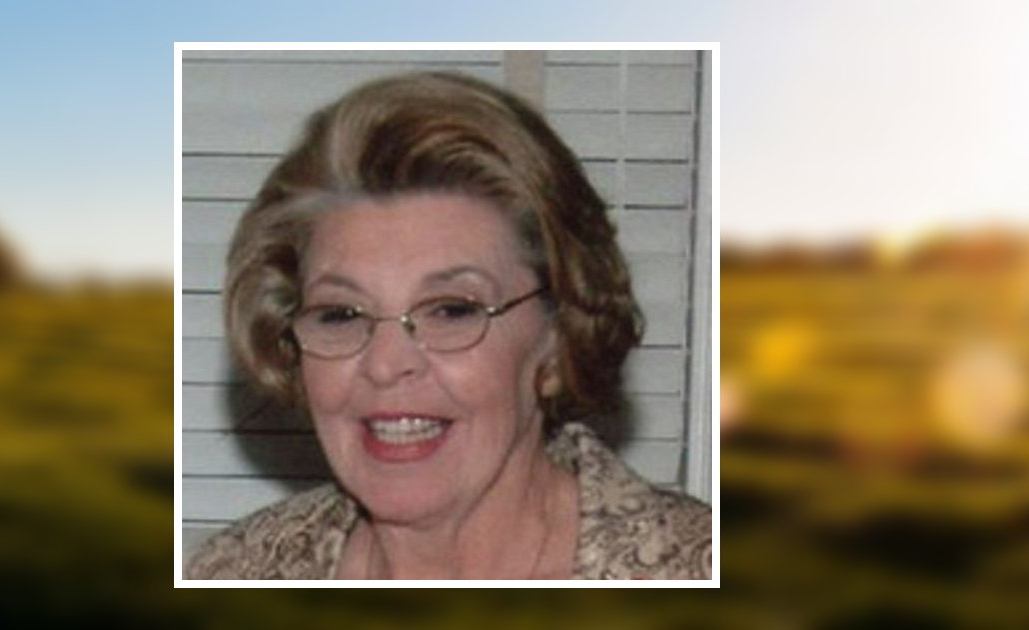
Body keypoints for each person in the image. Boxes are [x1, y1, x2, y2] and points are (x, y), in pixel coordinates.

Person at [185, 72, 711, 580]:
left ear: (558, 337)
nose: (386, 364)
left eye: (451, 310)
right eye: (342, 314)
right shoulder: (230, 572)